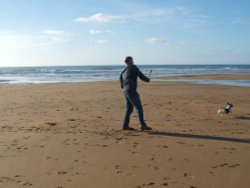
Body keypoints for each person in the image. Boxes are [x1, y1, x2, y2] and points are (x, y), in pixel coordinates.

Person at [120, 56, 152, 131]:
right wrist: (147, 80)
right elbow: (140, 75)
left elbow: (121, 81)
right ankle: (142, 125)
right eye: (132, 60)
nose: (133, 61)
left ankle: (125, 125)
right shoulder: (133, 67)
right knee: (139, 108)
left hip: (125, 91)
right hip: (131, 90)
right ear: (129, 61)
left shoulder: (123, 71)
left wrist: (125, 88)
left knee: (129, 108)